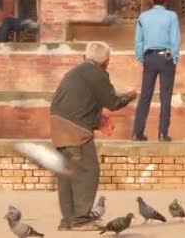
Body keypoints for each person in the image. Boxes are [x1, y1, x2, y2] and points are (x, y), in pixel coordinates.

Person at [50, 41, 137, 231]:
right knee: (88, 171)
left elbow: (81, 102)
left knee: (66, 174)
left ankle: (67, 220)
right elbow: (113, 102)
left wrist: (97, 119)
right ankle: (81, 220)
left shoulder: (73, 73)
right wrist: (130, 95)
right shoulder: (97, 74)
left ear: (84, 57)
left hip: (58, 126)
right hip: (76, 130)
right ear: (106, 62)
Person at [132, 0, 181, 142]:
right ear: (165, 1)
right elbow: (175, 39)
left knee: (145, 96)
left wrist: (141, 56)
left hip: (149, 58)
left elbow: (138, 40)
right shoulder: (171, 16)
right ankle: (162, 133)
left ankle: (137, 133)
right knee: (165, 97)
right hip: (166, 57)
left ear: (151, 0)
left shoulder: (143, 17)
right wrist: (174, 57)